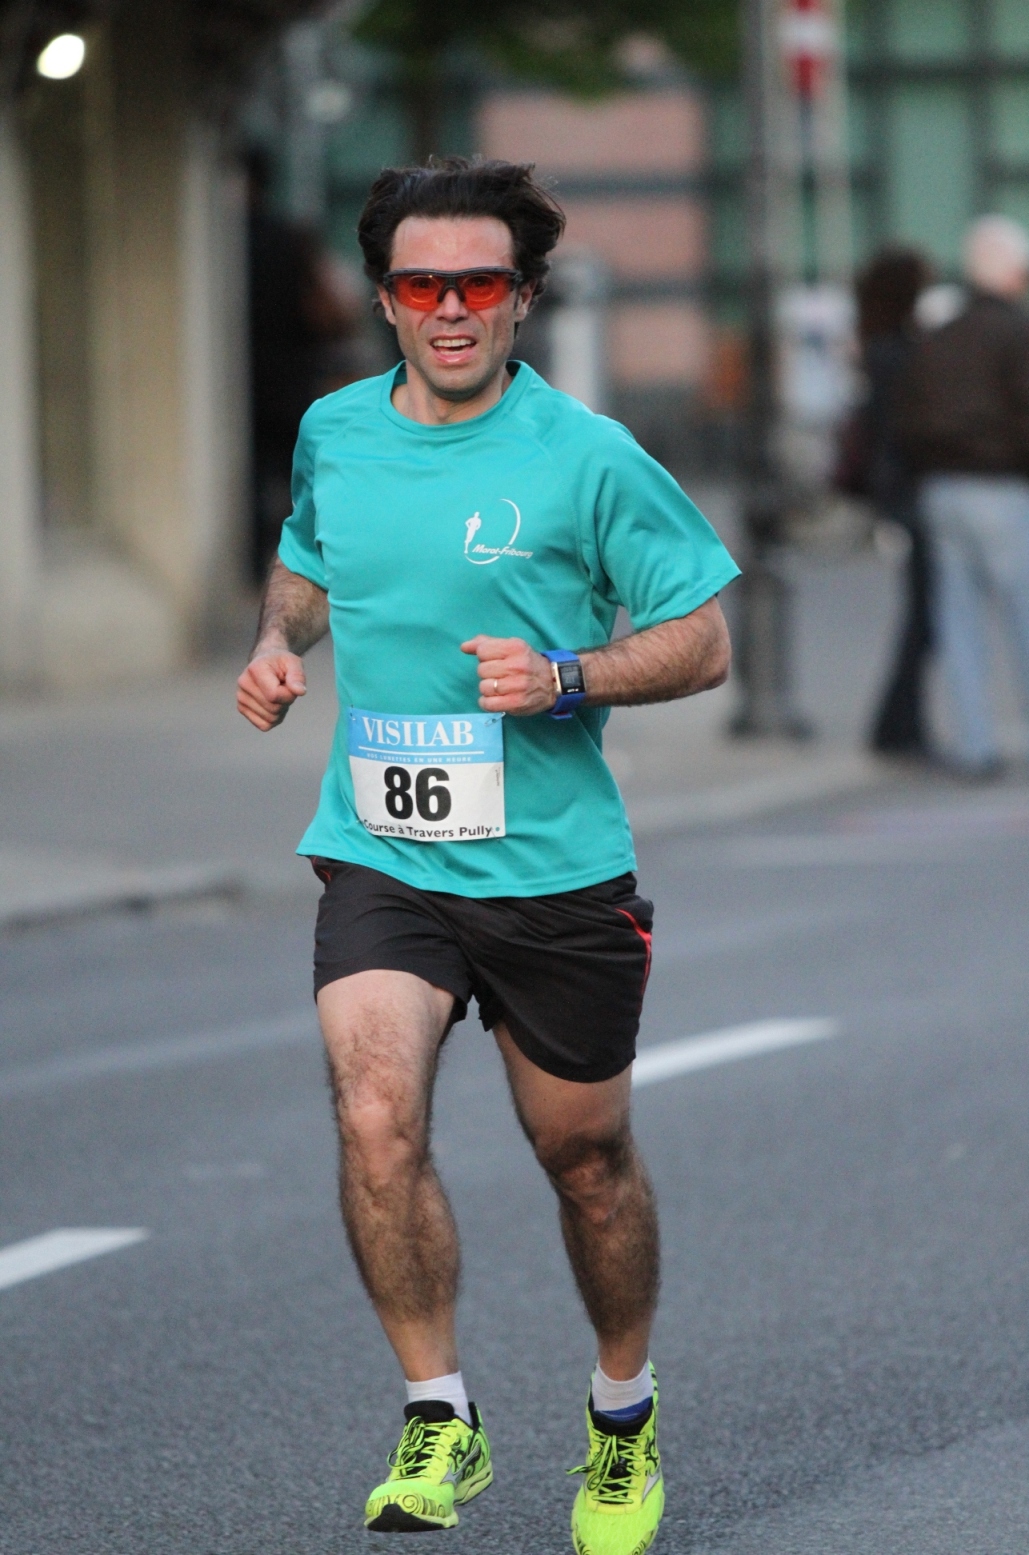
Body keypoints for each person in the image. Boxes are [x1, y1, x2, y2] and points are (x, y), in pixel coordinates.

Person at [236, 157, 739, 1554]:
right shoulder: (336, 429)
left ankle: (621, 1413)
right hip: (383, 850)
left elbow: (701, 638)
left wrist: (568, 676)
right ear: (384, 299)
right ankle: (437, 1412)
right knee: (373, 1114)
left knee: (584, 1156)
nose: (448, 308)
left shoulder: (585, 454)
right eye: (420, 284)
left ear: (521, 299)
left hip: (552, 868)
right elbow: (309, 561)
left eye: (477, 283)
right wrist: (278, 642)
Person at [898, 215, 1029, 776]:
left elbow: (907, 418)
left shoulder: (939, 336)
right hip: (1002, 489)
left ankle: (975, 744)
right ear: (1014, 272)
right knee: (1026, 618)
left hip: (941, 489)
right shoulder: (1020, 333)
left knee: (959, 623)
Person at [247, 146, 367, 581]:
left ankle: (262, 560)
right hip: (293, 373)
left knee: (257, 475)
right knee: (297, 475)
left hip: (251, 378)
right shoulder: (290, 238)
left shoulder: (231, 239)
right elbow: (329, 309)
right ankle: (303, 556)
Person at [840, 247, 933, 757]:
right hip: (907, 492)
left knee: (924, 614)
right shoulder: (895, 351)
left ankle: (900, 725)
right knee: (924, 616)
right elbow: (901, 430)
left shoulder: (878, 345)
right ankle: (897, 726)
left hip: (895, 490)